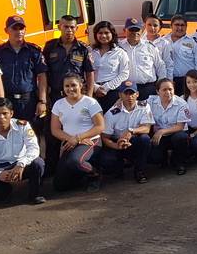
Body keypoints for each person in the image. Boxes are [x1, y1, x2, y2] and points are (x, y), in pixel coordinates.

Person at [42, 14, 95, 175]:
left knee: (76, 130)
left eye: (72, 27)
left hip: (77, 98)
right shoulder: (50, 47)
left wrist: (90, 97)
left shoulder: (83, 48)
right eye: (66, 26)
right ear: (59, 27)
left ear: (76, 28)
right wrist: (44, 98)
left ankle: (77, 166)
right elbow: (44, 73)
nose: (69, 30)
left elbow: (89, 74)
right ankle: (51, 170)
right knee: (53, 136)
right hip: (56, 98)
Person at [0, 97, 45, 205]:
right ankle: (4, 190)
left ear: (11, 113)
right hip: (0, 168)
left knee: (38, 163)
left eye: (5, 113)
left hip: (20, 165)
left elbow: (34, 148)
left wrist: (21, 164)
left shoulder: (23, 125)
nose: (1, 117)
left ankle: (34, 195)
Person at [49, 73, 104, 192]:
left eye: (73, 85)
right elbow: (55, 130)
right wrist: (71, 139)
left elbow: (100, 126)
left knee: (75, 161)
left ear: (80, 85)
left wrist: (79, 138)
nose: (70, 89)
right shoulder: (58, 104)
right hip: (70, 142)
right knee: (59, 185)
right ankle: (81, 175)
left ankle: (95, 175)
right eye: (67, 86)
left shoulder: (90, 102)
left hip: (90, 141)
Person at [0, 15, 48, 123]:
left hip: (29, 101)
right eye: (14, 28)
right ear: (6, 30)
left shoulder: (34, 51)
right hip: (7, 100)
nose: (19, 32)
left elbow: (42, 77)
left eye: (21, 28)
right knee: (9, 133)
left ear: (25, 30)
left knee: (33, 134)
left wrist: (42, 101)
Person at [97, 80, 153, 183]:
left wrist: (131, 131)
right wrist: (116, 146)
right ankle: (120, 167)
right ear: (120, 95)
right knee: (107, 161)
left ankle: (139, 171)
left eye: (132, 93)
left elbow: (146, 128)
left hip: (134, 141)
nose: (129, 97)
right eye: (126, 93)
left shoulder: (144, 107)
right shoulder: (112, 113)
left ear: (137, 94)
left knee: (145, 139)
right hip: (116, 143)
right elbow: (104, 137)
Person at [147, 78, 192, 174]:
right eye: (164, 90)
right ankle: (163, 159)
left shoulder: (181, 103)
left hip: (176, 133)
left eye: (170, 89)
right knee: (155, 158)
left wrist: (161, 131)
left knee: (181, 137)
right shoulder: (150, 101)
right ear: (157, 91)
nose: (168, 92)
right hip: (160, 137)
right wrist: (120, 100)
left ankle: (180, 163)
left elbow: (180, 126)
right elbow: (136, 103)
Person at [89, 20, 131, 111]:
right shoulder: (90, 51)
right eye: (100, 33)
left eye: (107, 33)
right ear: (96, 35)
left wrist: (106, 87)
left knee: (111, 120)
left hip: (113, 92)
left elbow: (124, 74)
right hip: (92, 91)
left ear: (112, 34)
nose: (103, 36)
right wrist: (95, 88)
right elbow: (85, 72)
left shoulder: (120, 52)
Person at [120, 17, 166, 98]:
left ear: (142, 30)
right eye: (131, 30)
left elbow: (160, 66)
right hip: (127, 89)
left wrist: (161, 85)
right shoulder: (119, 47)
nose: (135, 33)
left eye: (137, 30)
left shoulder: (149, 46)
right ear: (124, 30)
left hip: (148, 88)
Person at [162, 15, 197, 94]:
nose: (180, 28)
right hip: (167, 80)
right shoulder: (162, 41)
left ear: (186, 27)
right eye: (177, 25)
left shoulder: (192, 42)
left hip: (187, 82)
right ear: (171, 26)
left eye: (182, 25)